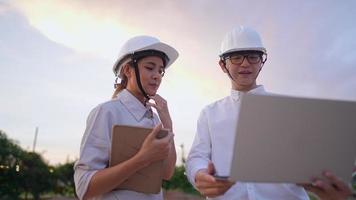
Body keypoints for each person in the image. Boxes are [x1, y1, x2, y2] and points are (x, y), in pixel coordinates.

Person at [185, 26, 353, 200]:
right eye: (236, 57)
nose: (245, 63)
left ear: (261, 61)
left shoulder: (290, 110)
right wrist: (199, 174)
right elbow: (197, 157)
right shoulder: (209, 114)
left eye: (253, 56)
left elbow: (314, 158)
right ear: (222, 65)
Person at [74, 35, 178, 200]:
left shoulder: (156, 120)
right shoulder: (106, 112)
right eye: (150, 67)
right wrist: (142, 158)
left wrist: (168, 124)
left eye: (160, 71)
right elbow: (84, 187)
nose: (157, 75)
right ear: (128, 70)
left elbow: (167, 173)